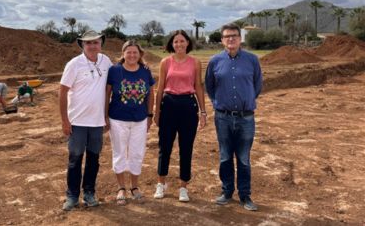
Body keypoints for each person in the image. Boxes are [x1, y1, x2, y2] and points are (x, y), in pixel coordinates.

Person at [205, 23, 263, 211]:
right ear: (222, 40)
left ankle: (245, 196)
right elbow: (210, 86)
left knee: (244, 158)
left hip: (246, 118)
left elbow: (257, 85)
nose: (231, 39)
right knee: (224, 156)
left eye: (234, 36)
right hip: (223, 117)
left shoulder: (252, 60)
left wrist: (247, 100)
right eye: (227, 36)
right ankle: (227, 191)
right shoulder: (214, 61)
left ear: (240, 39)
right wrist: (217, 103)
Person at [59, 30, 112, 211]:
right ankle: (72, 196)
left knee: (94, 159)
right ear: (82, 45)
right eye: (88, 43)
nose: (92, 46)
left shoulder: (106, 62)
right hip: (78, 122)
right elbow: (63, 91)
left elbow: (108, 90)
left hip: (97, 123)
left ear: (101, 44)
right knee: (75, 159)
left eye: (95, 42)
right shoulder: (74, 64)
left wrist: (106, 116)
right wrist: (65, 121)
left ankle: (89, 192)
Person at [153, 30, 206, 202]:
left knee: (186, 148)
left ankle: (183, 187)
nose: (179, 44)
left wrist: (203, 111)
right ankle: (161, 184)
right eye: (176, 42)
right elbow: (160, 88)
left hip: (188, 107)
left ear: (188, 43)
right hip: (168, 105)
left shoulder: (195, 63)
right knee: (165, 146)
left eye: (182, 41)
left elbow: (198, 87)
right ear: (172, 44)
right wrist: (156, 111)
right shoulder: (165, 62)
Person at [105, 40, 155, 205]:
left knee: (136, 153)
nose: (132, 55)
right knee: (119, 153)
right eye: (129, 52)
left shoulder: (145, 71)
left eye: (135, 52)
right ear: (123, 53)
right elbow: (107, 95)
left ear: (140, 54)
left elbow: (150, 94)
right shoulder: (114, 71)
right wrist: (105, 116)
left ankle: (134, 187)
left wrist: (149, 115)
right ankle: (121, 188)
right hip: (118, 119)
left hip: (140, 120)